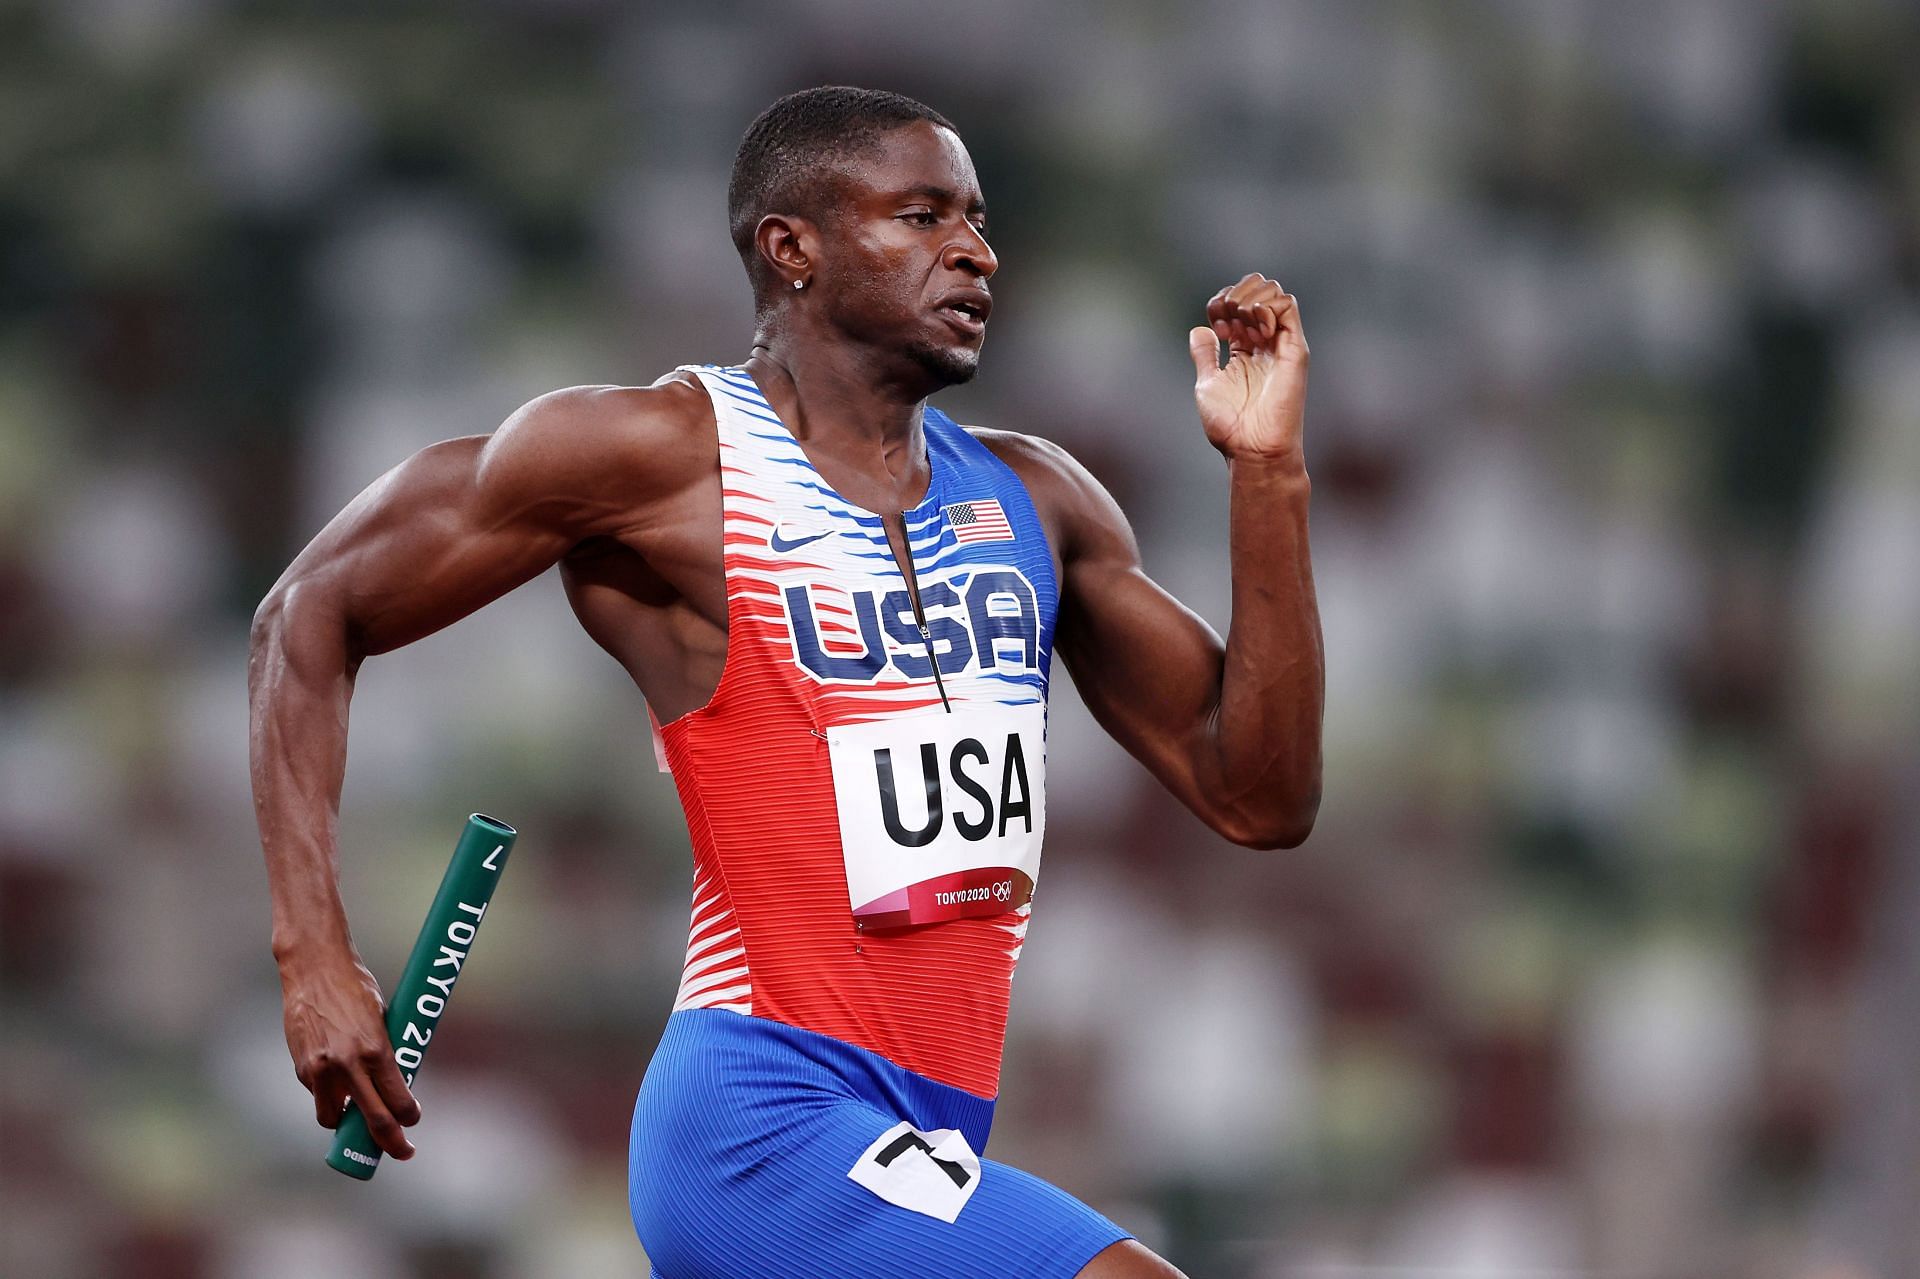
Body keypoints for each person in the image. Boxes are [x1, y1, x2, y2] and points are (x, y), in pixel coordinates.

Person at [249, 85, 1322, 1279]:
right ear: (792, 248)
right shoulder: (657, 457)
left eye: (975, 219)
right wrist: (312, 953)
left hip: (930, 1133)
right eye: (921, 218)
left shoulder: (1041, 499)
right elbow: (307, 612)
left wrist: (1267, 475)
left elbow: (1260, 795)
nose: (975, 251)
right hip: (759, 1121)